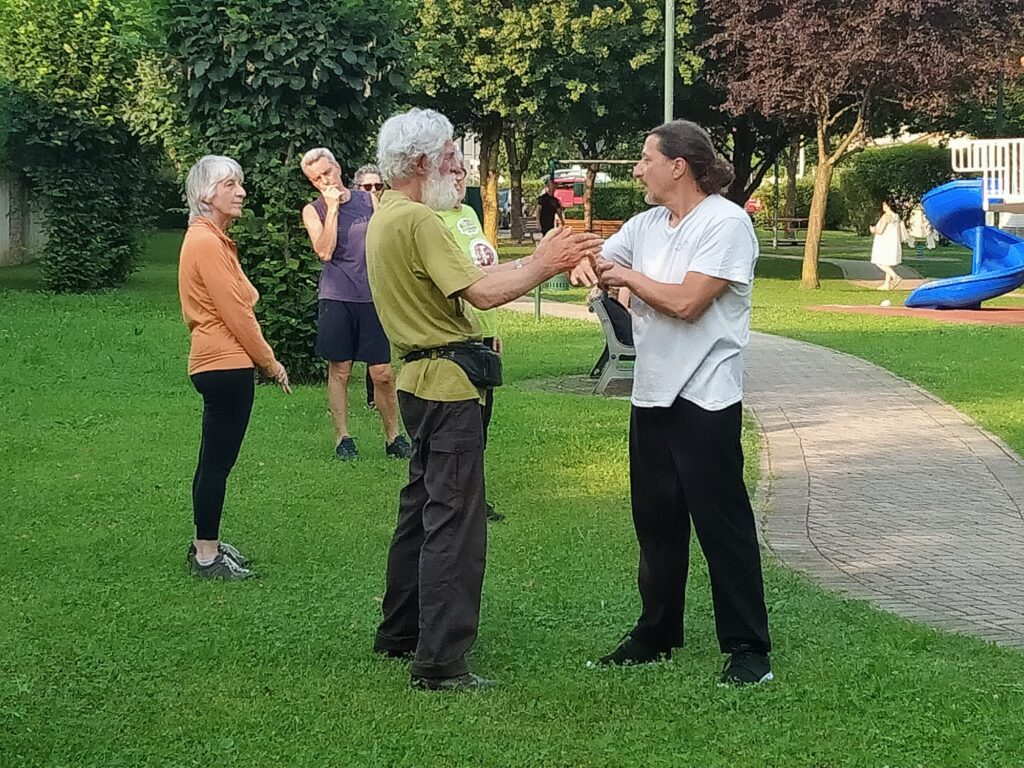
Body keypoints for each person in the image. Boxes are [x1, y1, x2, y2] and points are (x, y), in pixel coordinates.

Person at [366, 108, 602, 691]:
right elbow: (485, 292)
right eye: (450, 153)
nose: (460, 162)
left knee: (419, 513)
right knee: (455, 524)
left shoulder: (385, 216)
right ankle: (441, 662)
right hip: (447, 389)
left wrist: (534, 259)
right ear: (420, 162)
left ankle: (400, 633)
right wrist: (547, 262)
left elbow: (473, 282)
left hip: (419, 383)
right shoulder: (421, 220)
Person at [571, 119, 773, 686]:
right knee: (655, 521)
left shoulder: (726, 224)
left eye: (645, 159)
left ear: (678, 165)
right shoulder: (646, 224)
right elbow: (592, 262)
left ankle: (748, 648)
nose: (637, 169)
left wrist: (624, 277)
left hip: (705, 396)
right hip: (652, 394)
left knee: (721, 524)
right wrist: (588, 266)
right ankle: (657, 631)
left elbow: (687, 302)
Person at [178, 155, 292, 581]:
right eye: (230, 184)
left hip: (220, 362)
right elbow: (237, 314)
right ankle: (207, 556)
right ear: (208, 194)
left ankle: (204, 543)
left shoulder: (211, 239)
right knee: (216, 463)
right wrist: (270, 362)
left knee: (212, 459)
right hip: (224, 364)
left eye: (239, 183)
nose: (241, 191)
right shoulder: (205, 242)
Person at [300, 148, 412, 461]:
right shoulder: (314, 210)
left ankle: (393, 437)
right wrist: (333, 209)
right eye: (317, 178)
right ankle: (343, 438)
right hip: (336, 296)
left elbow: (385, 243)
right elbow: (324, 251)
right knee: (341, 369)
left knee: (383, 373)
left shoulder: (368, 201)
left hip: (372, 297)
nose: (324, 180)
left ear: (337, 167)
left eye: (327, 172)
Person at [435, 147, 505, 522]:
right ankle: (459, 502)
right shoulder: (430, 220)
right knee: (462, 427)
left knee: (481, 425)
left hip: (483, 332)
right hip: (455, 337)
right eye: (452, 172)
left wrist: (494, 327)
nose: (460, 177)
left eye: (463, 171)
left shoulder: (468, 214)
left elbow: (484, 272)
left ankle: (474, 498)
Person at [353, 164, 386, 410]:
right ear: (357, 188)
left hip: (382, 288)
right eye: (367, 186)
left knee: (378, 346)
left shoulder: (389, 212)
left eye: (378, 186)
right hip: (354, 288)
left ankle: (376, 396)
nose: (373, 190)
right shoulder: (352, 217)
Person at [869, 200, 909, 290]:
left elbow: (880, 230)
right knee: (888, 263)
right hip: (893, 242)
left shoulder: (886, 216)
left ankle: (895, 277)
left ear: (887, 206)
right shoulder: (896, 216)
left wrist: (873, 230)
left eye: (884, 205)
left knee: (879, 262)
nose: (883, 206)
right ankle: (886, 284)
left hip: (884, 242)